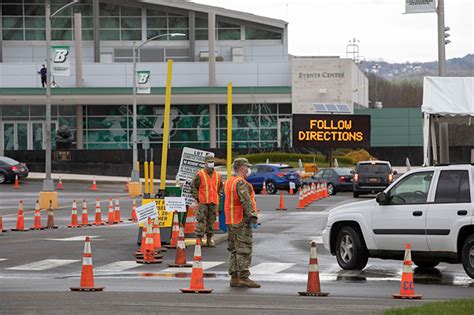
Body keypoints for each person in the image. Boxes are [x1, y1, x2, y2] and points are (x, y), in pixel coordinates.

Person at [225, 158, 260, 288]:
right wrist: (253, 216)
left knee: (234, 249)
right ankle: (244, 277)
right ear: (241, 168)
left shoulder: (229, 181)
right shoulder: (240, 183)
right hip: (241, 220)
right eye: (247, 167)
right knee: (244, 249)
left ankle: (234, 277)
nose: (248, 170)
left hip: (231, 220)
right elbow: (246, 201)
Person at [190, 155, 223, 247]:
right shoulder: (200, 174)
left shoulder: (218, 175)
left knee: (211, 221)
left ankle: (209, 239)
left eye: (212, 161)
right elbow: (193, 186)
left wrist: (218, 195)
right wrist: (197, 197)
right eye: (209, 162)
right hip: (203, 202)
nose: (211, 163)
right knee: (201, 220)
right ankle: (199, 238)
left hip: (213, 201)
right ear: (205, 163)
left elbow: (220, 187)